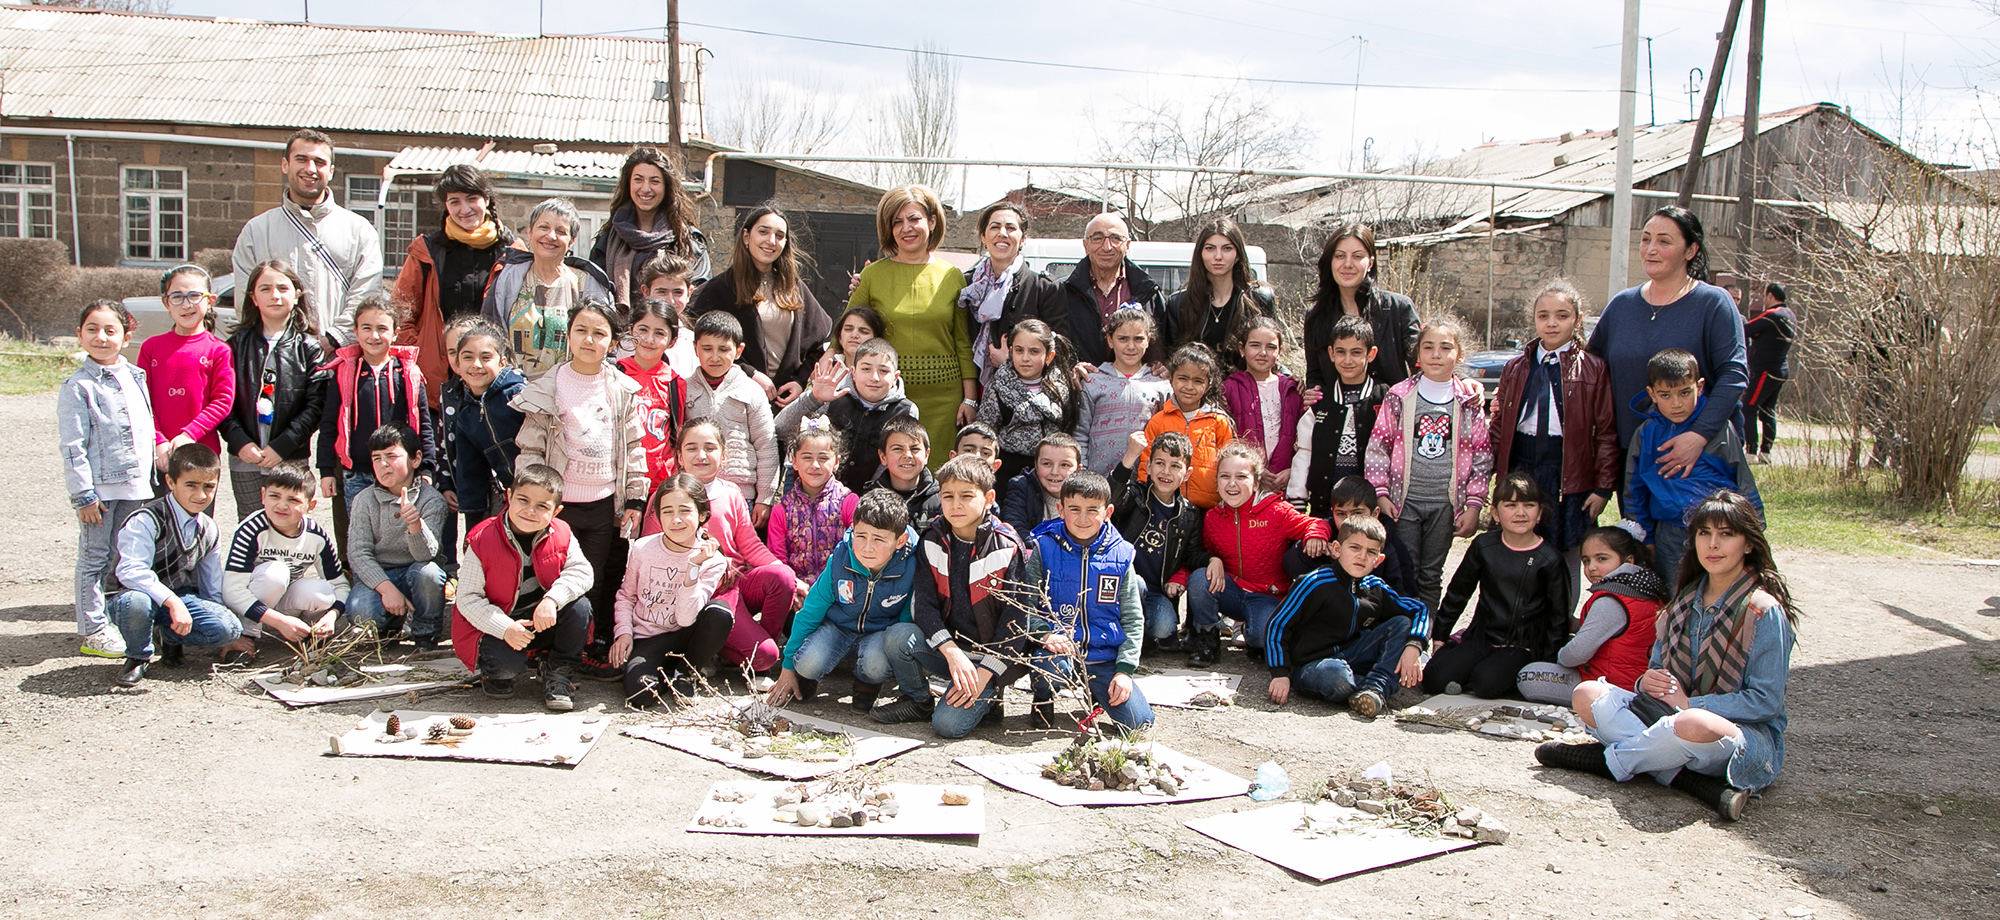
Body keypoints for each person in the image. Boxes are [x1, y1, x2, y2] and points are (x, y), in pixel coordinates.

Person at [1542, 490, 1795, 821]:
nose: (1713, 545)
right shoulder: (1682, 603)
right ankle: (1679, 776)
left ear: (1748, 544)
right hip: (1665, 721)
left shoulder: (1764, 611)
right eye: (1705, 534)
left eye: (1726, 535)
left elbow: (1765, 702)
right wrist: (1648, 680)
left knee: (1691, 722)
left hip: (1738, 736)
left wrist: (1691, 705)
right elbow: (1657, 673)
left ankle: (1608, 760)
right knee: (1587, 694)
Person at [512, 303, 649, 674]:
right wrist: (531, 500)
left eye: (599, 333)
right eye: (581, 331)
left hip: (603, 504)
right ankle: (546, 647)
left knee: (596, 576)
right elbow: (530, 449)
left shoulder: (621, 389)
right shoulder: (548, 387)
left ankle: (583, 648)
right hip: (558, 506)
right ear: (568, 336)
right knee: (550, 577)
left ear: (614, 341)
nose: (589, 340)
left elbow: (634, 447)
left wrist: (635, 498)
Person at [873, 455, 1037, 735]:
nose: (955, 504)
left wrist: (986, 672)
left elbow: (1016, 622)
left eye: (966, 495)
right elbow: (924, 606)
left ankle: (991, 693)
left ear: (988, 498)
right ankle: (919, 700)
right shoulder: (933, 539)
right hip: (952, 651)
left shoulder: (1007, 546)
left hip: (990, 657)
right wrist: (951, 652)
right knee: (898, 636)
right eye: (947, 496)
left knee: (947, 726)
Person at [1587, 206, 1748, 481]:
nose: (1651, 249)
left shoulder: (1713, 303)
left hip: (1698, 453)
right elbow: (1589, 371)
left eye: (1664, 241)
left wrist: (1698, 435)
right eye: (1646, 239)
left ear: (1690, 251)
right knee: (1635, 525)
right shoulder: (1622, 306)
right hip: (1634, 454)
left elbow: (1734, 376)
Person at [1487, 279, 1617, 610]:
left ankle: (1561, 624)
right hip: (1523, 469)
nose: (1552, 323)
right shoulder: (1517, 368)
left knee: (1566, 553)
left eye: (1562, 315)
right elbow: (1501, 427)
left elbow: (1605, 432)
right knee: (1519, 547)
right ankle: (1517, 621)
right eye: (1544, 316)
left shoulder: (1592, 368)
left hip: (1567, 474)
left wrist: (1602, 488)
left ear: (1577, 318)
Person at [1364, 320, 1492, 614]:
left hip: (1445, 505)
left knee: (1431, 575)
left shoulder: (1469, 402)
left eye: (1445, 347)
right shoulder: (1399, 396)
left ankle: (1424, 632)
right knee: (1405, 568)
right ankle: (1401, 629)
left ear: (1458, 356)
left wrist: (1473, 505)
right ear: (1417, 355)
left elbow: (1482, 457)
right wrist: (1381, 494)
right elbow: (1378, 448)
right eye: (1428, 347)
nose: (1436, 354)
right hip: (1403, 502)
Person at [848, 185, 977, 465]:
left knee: (939, 480)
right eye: (897, 221)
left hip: (945, 402)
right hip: (886, 398)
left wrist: (970, 399)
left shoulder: (952, 276)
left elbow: (963, 342)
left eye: (914, 219)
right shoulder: (872, 275)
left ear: (931, 222)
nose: (906, 228)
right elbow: (848, 331)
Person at [449, 463, 591, 710]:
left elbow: (582, 571)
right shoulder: (482, 538)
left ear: (556, 511)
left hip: (540, 617)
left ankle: (558, 669)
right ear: (509, 496)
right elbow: (468, 599)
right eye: (523, 500)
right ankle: (493, 671)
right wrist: (505, 628)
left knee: (580, 607)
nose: (530, 511)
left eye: (542, 506)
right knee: (505, 669)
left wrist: (552, 600)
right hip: (498, 623)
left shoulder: (563, 532)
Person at [767, 488, 919, 713]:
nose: (867, 547)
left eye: (878, 539)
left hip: (880, 632)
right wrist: (788, 665)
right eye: (861, 536)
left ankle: (867, 682)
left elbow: (905, 620)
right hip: (838, 627)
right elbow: (810, 612)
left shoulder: (911, 567)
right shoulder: (840, 561)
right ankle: (807, 677)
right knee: (808, 663)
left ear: (900, 541)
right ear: (852, 530)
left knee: (876, 664)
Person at [1024, 471, 1155, 732]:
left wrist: (1125, 671)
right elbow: (1025, 606)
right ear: (1060, 510)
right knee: (1049, 664)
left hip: (1103, 657)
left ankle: (1096, 690)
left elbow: (1132, 617)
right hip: (1058, 652)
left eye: (1092, 510)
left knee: (1140, 724)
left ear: (1108, 512)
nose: (1083, 519)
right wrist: (1045, 635)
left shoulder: (1121, 555)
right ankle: (1043, 697)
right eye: (1074, 509)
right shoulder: (1043, 548)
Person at [672, 418, 801, 682]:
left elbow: (751, 546)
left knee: (783, 578)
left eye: (710, 447)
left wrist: (788, 574)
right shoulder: (668, 495)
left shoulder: (730, 493)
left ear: (723, 455)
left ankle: (748, 648)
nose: (701, 455)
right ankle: (713, 650)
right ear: (679, 456)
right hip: (698, 590)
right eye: (692, 448)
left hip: (736, 584)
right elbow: (656, 551)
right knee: (765, 656)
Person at [61, 300, 156, 659]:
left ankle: (120, 621)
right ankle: (93, 628)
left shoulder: (135, 377)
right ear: (80, 335)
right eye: (92, 330)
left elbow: (144, 428)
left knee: (124, 557)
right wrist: (83, 495)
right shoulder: (78, 386)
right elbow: (73, 446)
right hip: (101, 489)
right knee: (95, 557)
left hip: (136, 485)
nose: (101, 337)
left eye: (110, 330)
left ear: (127, 337)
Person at [1422, 472, 1570, 699]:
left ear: (1539, 513)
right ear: (1495, 514)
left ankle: (1491, 673)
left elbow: (1558, 618)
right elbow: (1458, 593)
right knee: (1434, 679)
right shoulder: (1484, 546)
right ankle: (1463, 655)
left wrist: (1546, 665)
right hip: (1482, 637)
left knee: (1486, 684)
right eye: (1511, 505)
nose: (1520, 513)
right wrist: (1440, 636)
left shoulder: (1550, 559)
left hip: (1522, 646)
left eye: (1528, 505)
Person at [1264, 515, 1429, 717]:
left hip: (1353, 654)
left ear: (1379, 560)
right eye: (1355, 548)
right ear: (1336, 549)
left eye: (1371, 552)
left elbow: (1418, 609)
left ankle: (1375, 690)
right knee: (1337, 677)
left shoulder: (1375, 587)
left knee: (1401, 623)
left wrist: (1414, 646)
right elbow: (1277, 624)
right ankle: (1374, 684)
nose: (1362, 556)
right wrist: (1280, 673)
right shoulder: (1315, 582)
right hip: (1313, 666)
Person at [104, 444, 239, 687]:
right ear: (170, 481)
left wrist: (224, 627)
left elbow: (211, 586)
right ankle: (138, 655)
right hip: (133, 595)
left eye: (208, 486)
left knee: (228, 628)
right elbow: (130, 571)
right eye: (191, 485)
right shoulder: (146, 519)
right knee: (137, 603)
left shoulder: (208, 528)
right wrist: (172, 602)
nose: (200, 495)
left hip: (179, 598)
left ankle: (169, 635)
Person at [1186, 441, 1331, 667]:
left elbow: (1316, 523)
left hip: (1267, 595)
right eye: (1225, 476)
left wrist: (1316, 536)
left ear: (1256, 482)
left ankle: (1252, 632)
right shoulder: (1213, 518)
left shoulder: (1276, 511)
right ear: (1217, 482)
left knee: (1262, 637)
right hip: (1231, 591)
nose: (1232, 484)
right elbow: (1199, 554)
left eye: (1241, 477)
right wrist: (1209, 560)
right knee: (1199, 578)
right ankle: (1207, 637)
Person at [232, 129, 381, 346]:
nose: (310, 169)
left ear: (330, 171)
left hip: (340, 360)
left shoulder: (359, 230)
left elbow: (365, 295)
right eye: (301, 159)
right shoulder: (257, 231)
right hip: (276, 358)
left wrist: (334, 340)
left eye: (319, 162)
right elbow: (246, 302)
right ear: (285, 165)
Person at [1626, 349, 1763, 583]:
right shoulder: (1645, 434)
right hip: (1670, 534)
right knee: (1676, 597)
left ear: (1699, 387)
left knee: (1722, 593)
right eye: (1665, 395)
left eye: (1685, 392)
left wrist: (1755, 527)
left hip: (1719, 530)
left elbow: (1742, 479)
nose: (1677, 404)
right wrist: (1644, 538)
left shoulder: (1718, 429)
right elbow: (1634, 488)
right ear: (1652, 394)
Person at [316, 297, 435, 558]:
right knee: (359, 535)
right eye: (366, 328)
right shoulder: (344, 372)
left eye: (382, 328)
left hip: (400, 475)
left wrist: (426, 467)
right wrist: (326, 470)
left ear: (394, 333)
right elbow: (329, 424)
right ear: (356, 332)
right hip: (356, 473)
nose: (374, 335)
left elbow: (423, 423)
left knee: (399, 532)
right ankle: (361, 584)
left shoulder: (408, 373)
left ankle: (400, 580)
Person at [393, 164, 516, 404]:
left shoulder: (512, 251)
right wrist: (417, 357)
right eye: (455, 202)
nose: (465, 209)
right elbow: (401, 311)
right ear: (446, 206)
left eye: (472, 199)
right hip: (437, 378)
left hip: (493, 376)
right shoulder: (427, 251)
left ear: (486, 199)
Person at [686, 205, 828, 407]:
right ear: (746, 236)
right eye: (763, 232)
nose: (771, 241)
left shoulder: (794, 288)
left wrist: (799, 381)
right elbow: (700, 345)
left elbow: (818, 347)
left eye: (779, 236)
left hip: (785, 403)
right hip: (736, 399)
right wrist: (748, 373)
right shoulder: (720, 289)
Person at [612, 471, 733, 707]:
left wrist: (693, 567)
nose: (676, 519)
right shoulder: (642, 548)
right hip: (649, 638)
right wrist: (624, 632)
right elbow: (626, 596)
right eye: (667, 512)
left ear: (702, 514)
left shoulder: (713, 560)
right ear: (657, 516)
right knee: (641, 695)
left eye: (685, 511)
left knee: (720, 612)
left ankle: (687, 671)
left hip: (686, 634)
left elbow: (687, 618)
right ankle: (665, 671)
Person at [1517, 521, 1667, 705]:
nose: (1592, 567)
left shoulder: (1612, 600)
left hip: (1611, 685)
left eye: (1602, 559)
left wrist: (1559, 655)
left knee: (1528, 676)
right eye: (1586, 561)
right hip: (1635, 679)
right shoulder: (1646, 588)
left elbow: (1576, 655)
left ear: (1628, 560)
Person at [222, 260, 327, 522]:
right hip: (245, 457)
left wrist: (282, 446)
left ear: (297, 294)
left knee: (288, 523)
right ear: (252, 298)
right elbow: (223, 401)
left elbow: (315, 406)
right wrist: (240, 442)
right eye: (265, 289)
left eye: (282, 288)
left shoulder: (309, 348)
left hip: (290, 457)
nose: (275, 296)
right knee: (250, 525)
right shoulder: (234, 346)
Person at [218, 463, 347, 662]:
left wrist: (331, 617)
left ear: (310, 506)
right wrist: (280, 622)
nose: (282, 506)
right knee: (276, 573)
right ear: (263, 496)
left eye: (293, 499)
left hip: (283, 604)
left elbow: (340, 585)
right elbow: (232, 590)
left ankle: (309, 633)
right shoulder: (251, 530)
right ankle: (246, 634)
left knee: (323, 593)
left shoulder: (316, 535)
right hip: (252, 604)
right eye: (274, 496)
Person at [481, 198, 617, 378]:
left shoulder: (588, 284)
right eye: (543, 227)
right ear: (530, 232)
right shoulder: (507, 279)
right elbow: (487, 336)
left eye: (561, 231)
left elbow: (606, 346)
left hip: (571, 392)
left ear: (571, 241)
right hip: (514, 393)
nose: (551, 236)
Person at [344, 424, 450, 648]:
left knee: (429, 573)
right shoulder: (364, 500)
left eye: (391, 456)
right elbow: (358, 553)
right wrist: (387, 589)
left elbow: (427, 555)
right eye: (376, 458)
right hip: (379, 576)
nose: (383, 465)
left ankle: (426, 631)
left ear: (415, 459)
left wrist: (414, 524)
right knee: (361, 611)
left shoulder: (432, 500)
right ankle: (391, 624)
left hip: (415, 572)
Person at [1108, 430, 1210, 656]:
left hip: (1156, 593)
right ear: (1149, 467)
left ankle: (1141, 634)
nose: (1166, 472)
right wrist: (1130, 456)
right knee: (1136, 582)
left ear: (1187, 474)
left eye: (1175, 466)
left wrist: (1208, 562)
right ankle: (1131, 636)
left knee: (1164, 625)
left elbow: (1191, 555)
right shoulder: (1136, 495)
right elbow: (1112, 497)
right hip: (1122, 586)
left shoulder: (1189, 514)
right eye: (1160, 463)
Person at [774, 338, 918, 493]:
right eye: (866, 369)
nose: (874, 377)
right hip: (818, 495)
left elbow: (895, 463)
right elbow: (780, 429)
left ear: (895, 376)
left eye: (883, 371)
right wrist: (814, 398)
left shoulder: (905, 410)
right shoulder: (831, 395)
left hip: (869, 500)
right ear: (853, 372)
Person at [140, 265, 235, 496]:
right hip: (157, 454)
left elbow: (222, 401)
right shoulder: (151, 348)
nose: (186, 304)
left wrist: (188, 435)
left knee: (196, 521)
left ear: (210, 300)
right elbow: (142, 401)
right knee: (158, 523)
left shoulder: (219, 350)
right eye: (177, 297)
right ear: (166, 303)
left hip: (201, 453)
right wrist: (158, 440)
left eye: (194, 296)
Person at [1302, 222, 1421, 391]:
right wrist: (1313, 392)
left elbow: (1423, 364)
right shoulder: (1316, 315)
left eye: (1357, 256)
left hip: (1392, 411)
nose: (1348, 264)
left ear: (1370, 262)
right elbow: (1315, 375)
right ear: (1330, 261)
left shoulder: (1398, 309)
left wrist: (1461, 382)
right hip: (1340, 413)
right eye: (1340, 256)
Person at [685, 311, 780, 515]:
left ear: (738, 351)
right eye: (707, 348)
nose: (715, 357)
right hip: (691, 492)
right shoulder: (683, 389)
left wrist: (765, 497)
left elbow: (766, 445)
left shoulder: (751, 390)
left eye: (724, 349)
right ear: (695, 349)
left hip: (741, 494)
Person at [960, 202, 1064, 388]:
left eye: (1010, 228)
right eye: (994, 227)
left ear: (1023, 239)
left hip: (1025, 393)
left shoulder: (1044, 288)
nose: (1002, 233)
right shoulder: (966, 286)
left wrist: (1011, 363)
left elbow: (1058, 351)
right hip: (973, 388)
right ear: (983, 237)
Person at [590, 146, 710, 307]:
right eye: (638, 180)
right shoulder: (607, 240)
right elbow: (595, 295)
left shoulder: (688, 241)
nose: (645, 189)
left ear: (667, 187)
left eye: (654, 181)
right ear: (628, 184)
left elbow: (700, 298)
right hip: (618, 330)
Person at [1289, 316, 1382, 517]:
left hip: (1367, 510)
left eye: (1356, 352)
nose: (1347, 360)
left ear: (1371, 354)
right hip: (1324, 507)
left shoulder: (1384, 399)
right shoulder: (1320, 401)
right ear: (1331, 353)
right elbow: (1304, 453)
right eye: (1341, 352)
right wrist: (1297, 501)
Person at [1054, 212, 1171, 367]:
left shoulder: (1148, 292)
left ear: (1127, 245)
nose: (1107, 247)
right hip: (1080, 386)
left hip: (1134, 387)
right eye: (1097, 238)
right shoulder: (1063, 292)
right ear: (1086, 245)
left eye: (1116, 238)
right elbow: (1052, 345)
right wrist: (1070, 370)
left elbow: (1164, 346)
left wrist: (1161, 368)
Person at [1166, 217, 1277, 374]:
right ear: (1201, 253)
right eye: (1210, 248)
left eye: (1227, 249)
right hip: (1197, 391)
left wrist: (1289, 379)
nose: (1218, 256)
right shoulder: (1179, 303)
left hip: (1246, 390)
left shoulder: (1259, 298)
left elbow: (1272, 350)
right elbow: (1172, 359)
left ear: (1237, 254)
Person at [978, 318, 1078, 485]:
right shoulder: (999, 388)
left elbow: (1069, 424)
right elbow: (985, 433)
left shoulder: (1060, 387)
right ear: (1010, 352)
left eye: (1034, 352)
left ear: (1049, 356)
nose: (1025, 358)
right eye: (1019, 350)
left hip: (1053, 473)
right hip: (1008, 473)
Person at [444, 322, 525, 526]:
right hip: (511, 495)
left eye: (486, 357)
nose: (476, 365)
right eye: (468, 357)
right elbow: (471, 476)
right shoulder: (466, 417)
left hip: (546, 492)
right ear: (457, 364)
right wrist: (473, 527)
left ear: (502, 361)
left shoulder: (519, 396)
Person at [1136, 343, 1234, 509]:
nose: (1189, 386)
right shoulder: (1158, 421)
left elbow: (1231, 464)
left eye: (1198, 381)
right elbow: (1145, 467)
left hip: (1210, 508)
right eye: (1183, 378)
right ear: (1171, 379)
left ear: (1208, 385)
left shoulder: (1218, 422)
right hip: (1165, 506)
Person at [766, 417, 858, 588]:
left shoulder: (848, 501)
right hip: (798, 591)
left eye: (823, 458)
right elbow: (778, 559)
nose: (815, 465)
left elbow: (858, 549)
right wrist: (794, 587)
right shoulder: (782, 510)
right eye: (807, 457)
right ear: (794, 461)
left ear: (836, 462)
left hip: (842, 589)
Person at [1077, 308, 1171, 476]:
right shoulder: (1093, 382)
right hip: (1098, 480)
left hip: (1145, 480)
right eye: (1123, 339)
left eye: (1138, 339)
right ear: (1110, 340)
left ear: (1148, 340)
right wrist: (1081, 473)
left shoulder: (1161, 384)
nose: (1130, 346)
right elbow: (1080, 433)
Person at [1223, 316, 1306, 496]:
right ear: (1241, 349)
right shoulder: (1229, 388)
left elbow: (1303, 439)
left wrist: (1293, 469)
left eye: (1271, 347)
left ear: (1280, 351)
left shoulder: (1292, 390)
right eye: (1255, 345)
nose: (1263, 352)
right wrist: (1254, 469)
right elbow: (1226, 437)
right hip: (1244, 484)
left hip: (1285, 483)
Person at [618, 298, 691, 494]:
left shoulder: (675, 383)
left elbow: (677, 429)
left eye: (659, 333)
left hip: (660, 483)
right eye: (643, 330)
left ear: (672, 341)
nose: (649, 339)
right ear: (631, 331)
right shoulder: (616, 373)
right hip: (619, 477)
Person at [1743, 282, 1796, 464]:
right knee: (1768, 410)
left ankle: (1751, 451)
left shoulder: (1772, 315)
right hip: (1780, 369)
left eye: (1765, 296)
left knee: (1749, 406)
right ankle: (1766, 452)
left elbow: (1747, 329)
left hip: (1765, 369)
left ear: (1771, 296)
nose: (1764, 299)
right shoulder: (1790, 315)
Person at [868, 415, 942, 535]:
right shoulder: (870, 499)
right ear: (883, 457)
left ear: (926, 455)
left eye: (914, 449)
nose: (907, 455)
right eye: (897, 449)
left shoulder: (942, 498)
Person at [1000, 433, 1082, 540]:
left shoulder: (1088, 494)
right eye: (1047, 464)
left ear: (1078, 469)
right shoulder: (1021, 487)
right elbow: (1014, 530)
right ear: (1036, 466)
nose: (1055, 472)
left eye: (1065, 465)